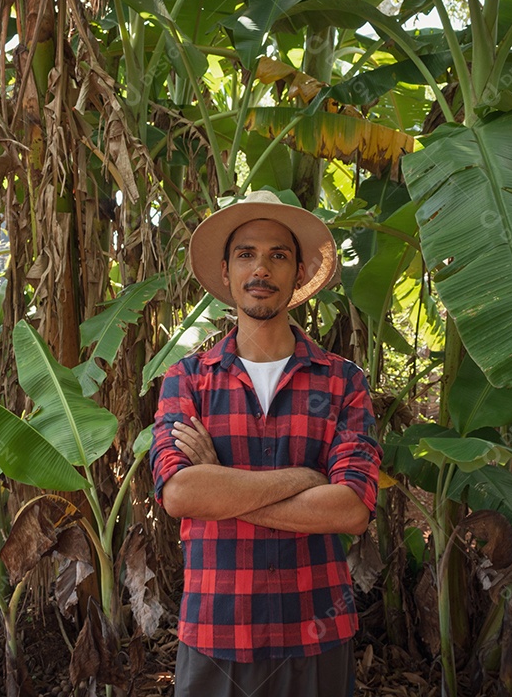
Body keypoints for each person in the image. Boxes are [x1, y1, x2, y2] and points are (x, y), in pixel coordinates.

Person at [149, 190, 382, 697]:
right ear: (227, 273)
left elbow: (349, 510)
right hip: (217, 629)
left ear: (299, 273)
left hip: (314, 632)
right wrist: (306, 480)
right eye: (246, 254)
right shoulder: (187, 380)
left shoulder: (342, 382)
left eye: (278, 255)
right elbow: (181, 496)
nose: (262, 269)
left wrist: (223, 491)